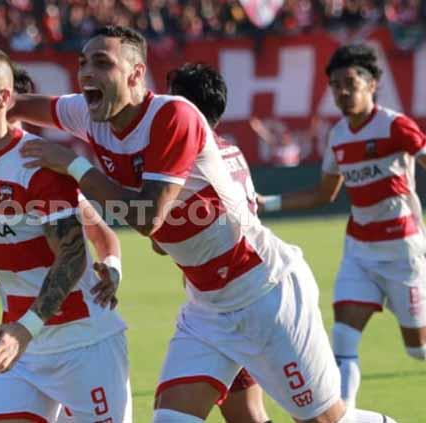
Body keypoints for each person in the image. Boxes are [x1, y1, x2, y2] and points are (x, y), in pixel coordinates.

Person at [0, 26, 395, 423]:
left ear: (137, 75)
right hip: (206, 306)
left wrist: (74, 167)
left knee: (325, 421)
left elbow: (145, 218)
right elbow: (0, 105)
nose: (86, 75)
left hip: (264, 291)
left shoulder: (173, 116)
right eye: (82, 64)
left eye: (102, 63)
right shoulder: (88, 112)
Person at [0, 46, 132, 423]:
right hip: (19, 342)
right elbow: (13, 234)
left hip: (83, 343)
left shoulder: (38, 165)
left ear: (4, 98)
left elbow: (72, 257)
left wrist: (26, 330)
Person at [258, 43, 426, 410]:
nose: (341, 92)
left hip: (404, 251)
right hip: (359, 252)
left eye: (350, 83)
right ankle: (345, 414)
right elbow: (325, 193)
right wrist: (269, 203)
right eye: (335, 85)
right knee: (342, 337)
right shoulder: (338, 135)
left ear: (372, 85)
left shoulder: (395, 126)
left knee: (420, 350)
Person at [164, 62, 270, 423]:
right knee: (248, 416)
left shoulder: (189, 163)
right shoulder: (231, 150)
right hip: (228, 297)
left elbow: (159, 241)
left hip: (231, 303)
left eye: (169, 100)